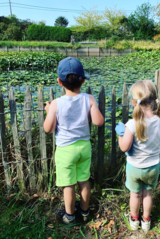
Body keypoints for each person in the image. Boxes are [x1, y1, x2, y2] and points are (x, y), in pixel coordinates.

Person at [43, 57, 104, 224]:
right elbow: (98, 122)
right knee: (84, 180)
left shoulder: (56, 103)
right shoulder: (89, 99)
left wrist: (50, 111)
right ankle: (84, 212)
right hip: (84, 147)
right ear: (83, 81)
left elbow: (48, 128)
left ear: (59, 82)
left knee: (68, 185)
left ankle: (69, 216)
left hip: (65, 150)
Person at [117, 80, 160, 232]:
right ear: (154, 101)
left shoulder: (131, 124)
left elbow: (124, 147)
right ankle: (146, 221)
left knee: (135, 195)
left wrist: (121, 134)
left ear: (134, 103)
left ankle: (134, 220)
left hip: (134, 167)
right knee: (147, 194)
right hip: (153, 166)